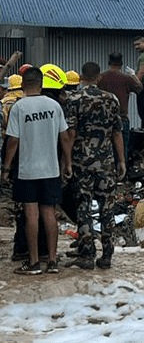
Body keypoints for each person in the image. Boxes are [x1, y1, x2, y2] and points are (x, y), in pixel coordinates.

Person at [2, 67, 71, 275]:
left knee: (31, 214)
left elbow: (13, 140)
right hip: (51, 170)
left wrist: (6, 168)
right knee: (49, 213)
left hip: (27, 171)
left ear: (23, 85)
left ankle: (33, 263)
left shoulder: (19, 107)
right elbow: (65, 137)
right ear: (41, 84)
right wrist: (68, 163)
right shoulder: (54, 106)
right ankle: (52, 260)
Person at [65, 62, 126, 270]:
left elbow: (70, 133)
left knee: (83, 208)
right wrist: (122, 161)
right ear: (99, 77)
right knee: (107, 209)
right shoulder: (111, 100)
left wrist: (67, 161)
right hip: (106, 163)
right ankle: (107, 254)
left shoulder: (74, 99)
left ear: (82, 77)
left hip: (82, 163)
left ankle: (87, 254)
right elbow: (117, 132)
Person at [97, 52, 142, 163]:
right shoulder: (126, 78)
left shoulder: (101, 77)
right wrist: (133, 75)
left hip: (103, 119)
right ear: (121, 63)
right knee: (122, 150)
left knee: (103, 150)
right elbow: (140, 88)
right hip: (121, 118)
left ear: (109, 62)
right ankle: (121, 175)